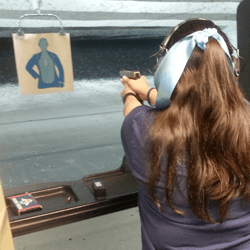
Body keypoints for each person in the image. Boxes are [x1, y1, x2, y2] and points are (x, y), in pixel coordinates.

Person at [120, 19, 250, 249]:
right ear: (231, 66)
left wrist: (130, 93)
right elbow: (207, 103)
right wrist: (150, 92)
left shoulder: (141, 127)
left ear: (167, 68)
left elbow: (134, 112)